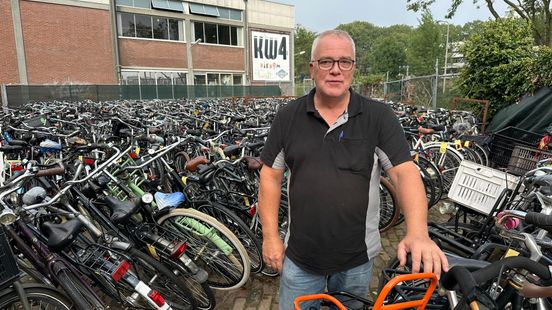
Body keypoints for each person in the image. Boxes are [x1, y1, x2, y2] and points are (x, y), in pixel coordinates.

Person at [258, 29, 449, 309]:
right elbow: (270, 177)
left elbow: (403, 172)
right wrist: (271, 237)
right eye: (326, 62)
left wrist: (418, 232)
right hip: (299, 257)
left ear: (353, 69)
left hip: (356, 261)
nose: (336, 70)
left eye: (344, 61)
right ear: (312, 69)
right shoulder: (288, 117)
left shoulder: (378, 117)